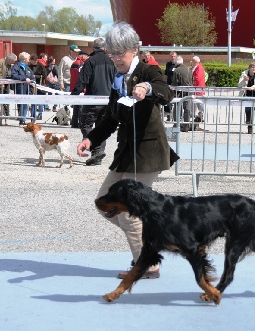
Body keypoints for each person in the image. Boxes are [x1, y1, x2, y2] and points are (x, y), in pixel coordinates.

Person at [76, 22, 179, 279]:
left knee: (130, 215)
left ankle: (147, 264)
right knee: (104, 203)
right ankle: (150, 242)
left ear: (134, 49)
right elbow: (111, 117)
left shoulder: (148, 70)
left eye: (119, 54)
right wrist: (91, 139)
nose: (115, 59)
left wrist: (147, 88)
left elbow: (166, 91)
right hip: (126, 152)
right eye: (112, 53)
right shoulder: (117, 78)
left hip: (147, 154)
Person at [72, 38, 116, 165]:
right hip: (108, 101)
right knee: (102, 126)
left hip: (92, 100)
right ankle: (98, 152)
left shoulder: (90, 61)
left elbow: (82, 80)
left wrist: (74, 95)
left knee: (85, 124)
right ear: (105, 48)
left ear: (93, 48)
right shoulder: (111, 62)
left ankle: (96, 150)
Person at [0, 53, 17, 125]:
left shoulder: (10, 65)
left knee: (6, 102)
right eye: (13, 61)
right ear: (9, 59)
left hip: (6, 85)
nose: (13, 63)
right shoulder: (0, 62)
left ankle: (6, 118)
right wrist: (0, 83)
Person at [11, 52, 35, 126]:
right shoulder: (16, 66)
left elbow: (32, 76)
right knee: (21, 104)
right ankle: (22, 119)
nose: (29, 60)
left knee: (26, 104)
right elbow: (14, 75)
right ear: (24, 59)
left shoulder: (27, 68)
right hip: (20, 88)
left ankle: (23, 119)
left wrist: (32, 80)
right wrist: (24, 79)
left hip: (27, 89)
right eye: (28, 59)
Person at [238, 62, 255, 134]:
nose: (254, 69)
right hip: (246, 93)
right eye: (252, 67)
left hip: (254, 93)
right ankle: (248, 120)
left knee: (252, 110)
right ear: (249, 68)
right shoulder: (244, 74)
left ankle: (250, 127)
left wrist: (252, 87)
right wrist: (244, 80)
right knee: (248, 109)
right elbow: (239, 85)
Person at [171, 55, 192, 132]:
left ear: (176, 63)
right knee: (187, 108)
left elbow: (174, 83)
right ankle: (186, 126)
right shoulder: (188, 69)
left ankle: (177, 124)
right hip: (189, 91)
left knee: (177, 108)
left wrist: (172, 92)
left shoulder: (177, 70)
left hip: (179, 92)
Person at [70, 50, 89, 128]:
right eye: (87, 56)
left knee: (76, 106)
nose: (88, 58)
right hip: (80, 88)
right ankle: (80, 123)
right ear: (83, 56)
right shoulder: (82, 64)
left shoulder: (74, 63)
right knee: (81, 107)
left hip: (73, 87)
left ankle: (74, 123)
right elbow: (83, 77)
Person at [28, 53, 47, 121]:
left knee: (40, 100)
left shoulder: (40, 66)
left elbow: (44, 75)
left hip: (40, 85)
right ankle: (32, 115)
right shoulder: (29, 65)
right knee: (33, 101)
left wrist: (36, 76)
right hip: (31, 86)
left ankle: (40, 114)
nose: (32, 62)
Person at [191, 55, 206, 122]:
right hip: (197, 88)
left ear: (195, 62)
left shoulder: (199, 68)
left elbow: (198, 78)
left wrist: (192, 81)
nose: (191, 62)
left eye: (192, 61)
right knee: (198, 103)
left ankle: (201, 115)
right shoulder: (197, 67)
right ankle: (200, 116)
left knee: (200, 103)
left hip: (198, 88)